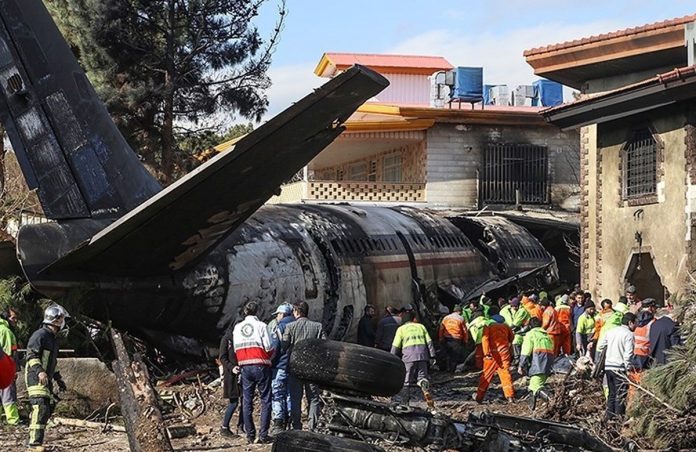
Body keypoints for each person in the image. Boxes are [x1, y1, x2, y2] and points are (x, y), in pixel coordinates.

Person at [26, 304, 69, 451]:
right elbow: (31, 355)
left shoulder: (52, 339)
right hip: (36, 377)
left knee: (48, 406)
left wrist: (58, 379)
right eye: (62, 319)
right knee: (41, 407)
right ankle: (34, 444)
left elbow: (51, 362)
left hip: (46, 378)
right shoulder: (40, 335)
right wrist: (40, 371)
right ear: (57, 320)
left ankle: (35, 439)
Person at [233, 301, 274, 444]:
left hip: (245, 367)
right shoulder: (262, 326)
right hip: (261, 365)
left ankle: (250, 435)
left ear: (245, 312)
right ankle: (263, 435)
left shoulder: (237, 328)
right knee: (266, 400)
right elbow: (269, 346)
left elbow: (235, 349)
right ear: (258, 312)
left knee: (247, 400)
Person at [282, 301, 326, 431]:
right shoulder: (317, 326)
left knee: (296, 398)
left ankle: (297, 426)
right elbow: (324, 346)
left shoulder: (290, 327)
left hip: (295, 367)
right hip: (312, 368)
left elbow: (284, 346)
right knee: (313, 398)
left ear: (296, 312)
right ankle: (312, 427)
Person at [391, 309, 436, 407]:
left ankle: (405, 403)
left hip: (408, 357)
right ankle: (428, 399)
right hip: (423, 356)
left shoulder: (401, 329)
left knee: (406, 380)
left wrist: (392, 358)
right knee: (422, 378)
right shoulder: (421, 327)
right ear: (413, 318)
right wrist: (432, 356)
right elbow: (429, 342)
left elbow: (395, 346)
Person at [598, 312, 636, 419]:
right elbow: (628, 355)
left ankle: (609, 417)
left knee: (611, 394)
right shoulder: (628, 334)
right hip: (620, 368)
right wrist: (628, 368)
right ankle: (619, 419)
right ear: (630, 323)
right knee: (621, 395)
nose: (636, 326)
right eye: (635, 323)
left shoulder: (611, 331)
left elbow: (601, 346)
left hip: (608, 367)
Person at [475, 315, 514, 403]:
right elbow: (512, 337)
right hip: (504, 353)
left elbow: (485, 339)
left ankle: (479, 398)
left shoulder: (488, 325)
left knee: (486, 375)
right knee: (505, 374)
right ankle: (510, 396)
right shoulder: (505, 325)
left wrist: (486, 353)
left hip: (492, 354)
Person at [269, 303, 295, 435]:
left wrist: (269, 362)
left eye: (278, 315)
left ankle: (278, 424)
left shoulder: (280, 327)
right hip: (294, 368)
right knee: (290, 395)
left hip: (280, 367)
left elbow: (275, 348)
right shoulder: (297, 325)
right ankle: (290, 421)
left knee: (278, 395)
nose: (277, 318)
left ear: (281, 314)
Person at [518, 317, 554, 410]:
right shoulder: (547, 336)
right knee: (533, 385)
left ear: (530, 326)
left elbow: (526, 352)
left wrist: (521, 365)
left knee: (536, 386)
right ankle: (532, 409)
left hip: (538, 363)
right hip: (548, 364)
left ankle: (554, 401)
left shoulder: (531, 334)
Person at [219, 324, 241, 438]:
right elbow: (222, 357)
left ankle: (242, 425)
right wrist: (232, 367)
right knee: (234, 402)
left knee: (245, 401)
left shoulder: (241, 337)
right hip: (231, 374)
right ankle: (224, 427)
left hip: (241, 373)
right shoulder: (227, 339)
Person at [0, 309, 19, 426]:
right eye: (13, 318)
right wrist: (12, 371)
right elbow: (8, 354)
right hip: (4, 368)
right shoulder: (6, 331)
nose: (16, 321)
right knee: (8, 394)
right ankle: (13, 420)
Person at [438, 304, 468, 372]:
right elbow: (464, 331)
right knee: (455, 355)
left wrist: (441, 338)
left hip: (447, 338)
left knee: (447, 354)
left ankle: (445, 369)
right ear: (459, 311)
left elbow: (441, 329)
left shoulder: (446, 318)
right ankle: (452, 370)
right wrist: (465, 340)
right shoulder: (461, 318)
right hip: (457, 339)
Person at [500, 297, 529, 365]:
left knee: (515, 341)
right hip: (521, 329)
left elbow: (515, 324)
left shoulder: (522, 311)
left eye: (514, 306)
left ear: (517, 305)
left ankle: (517, 358)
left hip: (525, 329)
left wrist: (507, 330)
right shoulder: (517, 310)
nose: (513, 308)